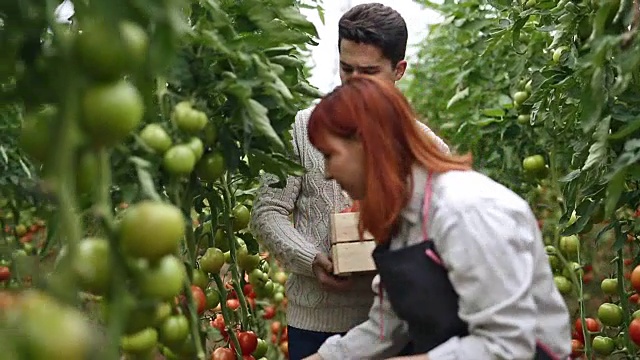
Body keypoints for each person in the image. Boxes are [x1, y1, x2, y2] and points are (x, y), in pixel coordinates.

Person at [301, 75, 572, 360]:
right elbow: (386, 328)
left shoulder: (465, 210)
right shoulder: (402, 219)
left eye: (329, 155)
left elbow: (507, 346)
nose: (327, 172)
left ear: (367, 144)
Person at [250, 3, 449, 359]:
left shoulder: (426, 146)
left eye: (369, 72)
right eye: (346, 68)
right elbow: (268, 210)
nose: (354, 82)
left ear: (398, 70)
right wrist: (312, 259)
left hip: (402, 322)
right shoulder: (302, 128)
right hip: (318, 321)